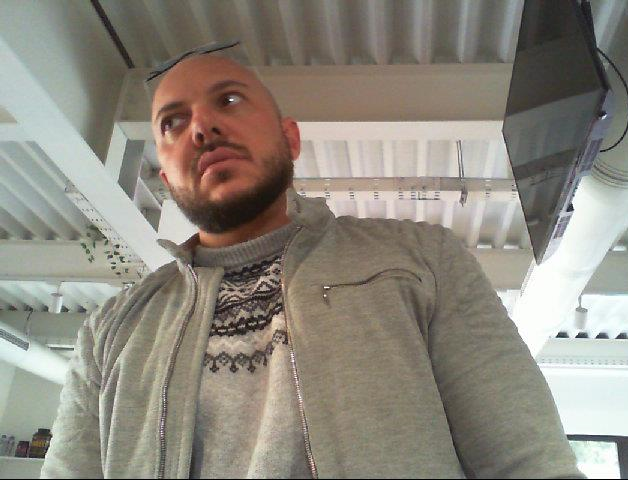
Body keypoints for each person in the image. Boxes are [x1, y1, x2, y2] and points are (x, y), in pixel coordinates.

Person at [41, 51, 584, 479]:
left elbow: (529, 462)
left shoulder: (423, 259)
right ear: (166, 178)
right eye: (172, 123)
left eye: (228, 100)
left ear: (290, 138)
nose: (200, 127)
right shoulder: (110, 331)